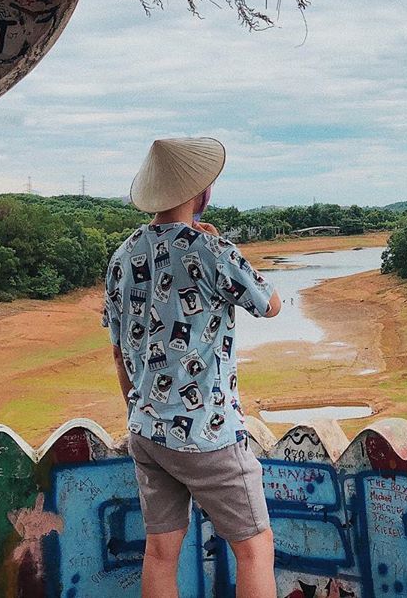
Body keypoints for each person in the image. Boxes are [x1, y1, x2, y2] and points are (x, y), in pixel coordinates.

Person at [103, 137, 282, 598]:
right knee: (255, 546)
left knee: (161, 552)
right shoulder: (211, 251)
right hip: (208, 433)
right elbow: (271, 304)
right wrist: (221, 245)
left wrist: (139, 407)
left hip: (145, 431)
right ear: (201, 192)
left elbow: (118, 350)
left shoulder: (122, 257)